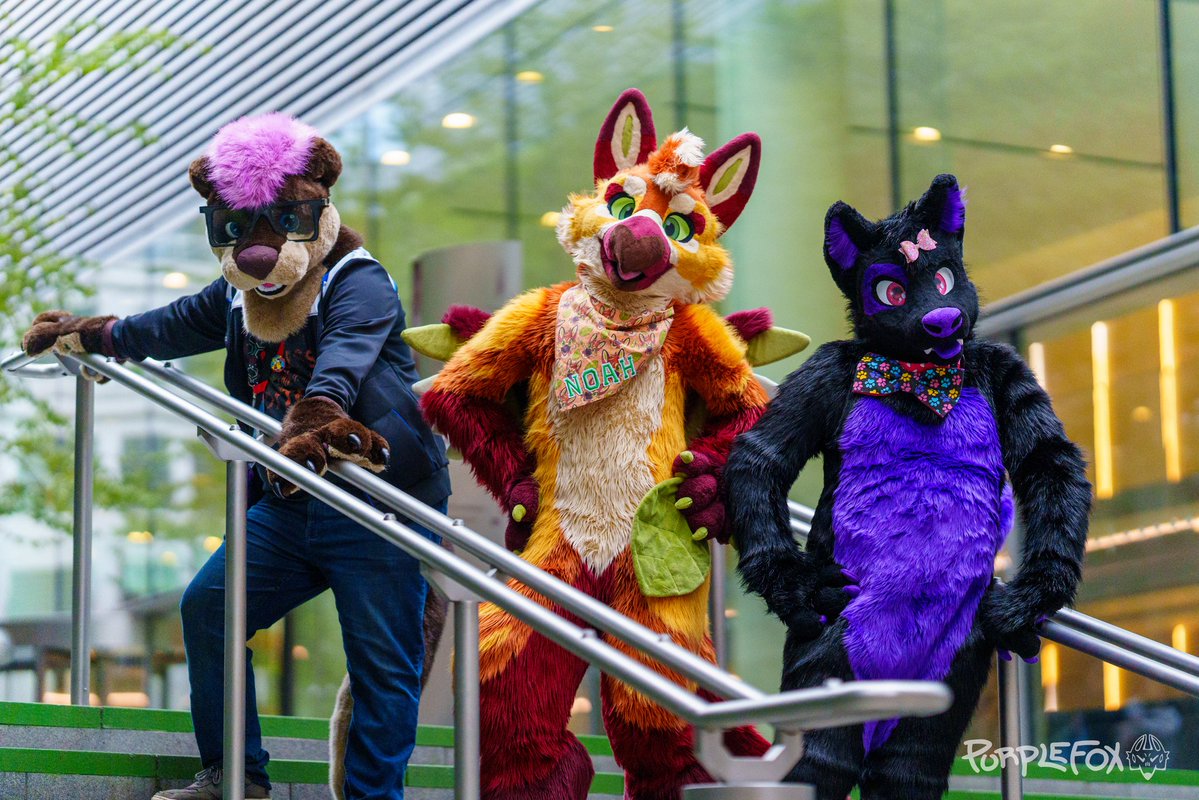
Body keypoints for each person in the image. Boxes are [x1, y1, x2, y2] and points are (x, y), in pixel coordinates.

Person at [21, 113, 450, 800]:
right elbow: (162, 326)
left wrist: (315, 416)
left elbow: (342, 361)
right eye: (235, 231)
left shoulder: (357, 282)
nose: (257, 251)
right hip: (287, 501)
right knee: (209, 607)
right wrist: (89, 333)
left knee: (381, 662)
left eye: (283, 224)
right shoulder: (238, 297)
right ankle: (237, 775)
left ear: (317, 213)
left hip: (376, 504)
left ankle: (374, 798)